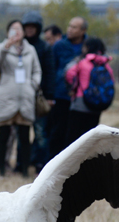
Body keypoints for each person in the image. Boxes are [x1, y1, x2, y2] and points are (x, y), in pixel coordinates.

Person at [0, 20, 41, 177]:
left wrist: (32, 85)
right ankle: (1, 169)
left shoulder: (30, 49)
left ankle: (25, 171)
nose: (16, 32)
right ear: (8, 32)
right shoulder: (2, 47)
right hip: (7, 96)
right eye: (13, 29)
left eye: (19, 29)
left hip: (25, 97)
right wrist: (7, 46)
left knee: (25, 136)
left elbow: (37, 70)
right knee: (4, 135)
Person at [47, 17, 87, 163]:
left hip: (82, 99)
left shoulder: (88, 46)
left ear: (83, 31)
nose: (69, 29)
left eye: (74, 27)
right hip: (61, 95)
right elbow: (51, 70)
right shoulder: (59, 46)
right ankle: (52, 164)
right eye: (69, 26)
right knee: (58, 132)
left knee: (78, 135)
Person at [64, 37, 114, 146]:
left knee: (73, 138)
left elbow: (69, 74)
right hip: (96, 105)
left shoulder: (82, 62)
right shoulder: (105, 64)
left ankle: (73, 162)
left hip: (80, 103)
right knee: (90, 138)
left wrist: (73, 87)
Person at [22, 11, 55, 172]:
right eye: (27, 27)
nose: (29, 30)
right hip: (20, 95)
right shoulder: (19, 45)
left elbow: (49, 72)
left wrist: (49, 96)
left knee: (40, 133)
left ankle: (41, 165)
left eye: (32, 27)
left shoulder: (45, 48)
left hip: (38, 96)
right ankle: (21, 164)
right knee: (21, 132)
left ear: (38, 28)